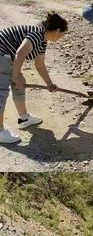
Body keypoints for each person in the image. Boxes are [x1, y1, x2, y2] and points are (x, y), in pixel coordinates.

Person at [0, 12, 68, 144]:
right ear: (58, 31)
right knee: (1, 92)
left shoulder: (43, 41)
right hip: (2, 55)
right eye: (63, 34)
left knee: (20, 84)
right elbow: (20, 53)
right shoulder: (37, 34)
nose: (62, 38)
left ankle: (24, 118)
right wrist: (15, 75)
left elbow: (40, 65)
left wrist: (50, 84)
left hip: (7, 57)